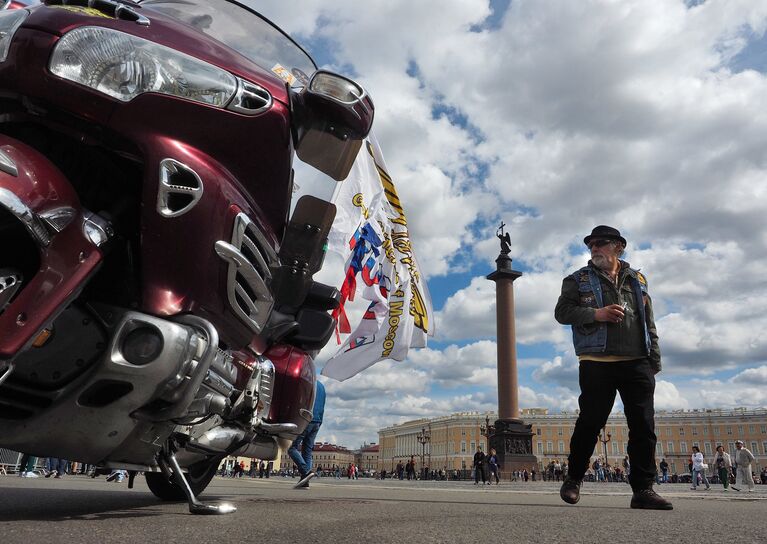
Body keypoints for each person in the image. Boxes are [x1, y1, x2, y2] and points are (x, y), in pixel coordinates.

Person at [555, 226, 671, 510]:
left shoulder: (638, 280)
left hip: (637, 361)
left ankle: (643, 489)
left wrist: (653, 359)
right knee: (590, 423)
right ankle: (573, 479)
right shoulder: (576, 280)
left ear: (618, 246)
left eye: (601, 243)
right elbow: (562, 313)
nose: (594, 249)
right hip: (597, 362)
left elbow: (648, 321)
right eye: (591, 245)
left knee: (643, 427)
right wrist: (596, 314)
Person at [289, 379, 325, 489]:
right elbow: (322, 405)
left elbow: (299, 401)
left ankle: (305, 471)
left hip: (306, 418)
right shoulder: (321, 386)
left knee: (291, 447)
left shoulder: (305, 382)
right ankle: (305, 482)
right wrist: (320, 422)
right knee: (307, 451)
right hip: (317, 421)